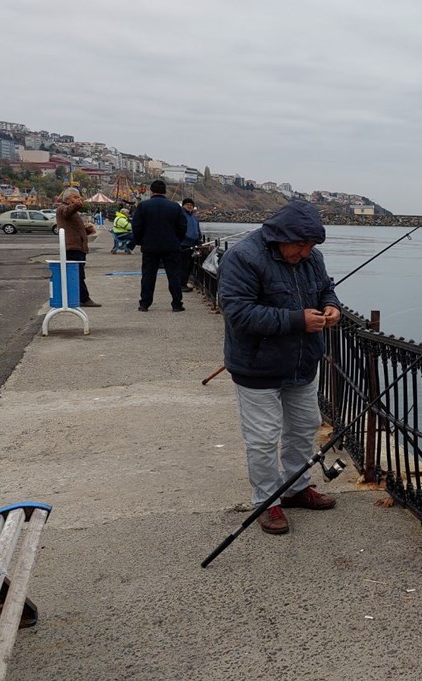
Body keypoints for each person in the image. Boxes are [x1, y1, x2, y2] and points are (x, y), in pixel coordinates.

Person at [218, 200, 342, 534]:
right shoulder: (243, 257)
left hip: (302, 363)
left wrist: (331, 307)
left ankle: (296, 488)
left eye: (311, 245)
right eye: (300, 244)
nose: (305, 252)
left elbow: (326, 289)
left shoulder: (312, 258)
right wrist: (296, 320)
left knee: (304, 428)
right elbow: (238, 313)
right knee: (263, 438)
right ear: (279, 236)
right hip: (257, 367)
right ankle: (267, 501)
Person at [131, 179, 188, 312]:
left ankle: (144, 303)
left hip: (150, 246)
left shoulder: (143, 206)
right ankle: (177, 303)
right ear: (165, 192)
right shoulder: (175, 207)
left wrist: (140, 241)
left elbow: (136, 226)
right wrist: (177, 240)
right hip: (171, 246)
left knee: (148, 276)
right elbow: (182, 227)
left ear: (151, 191)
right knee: (174, 275)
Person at [55, 187, 101, 308]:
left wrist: (87, 231)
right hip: (72, 248)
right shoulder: (62, 208)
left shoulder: (72, 211)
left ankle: (79, 298)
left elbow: (75, 231)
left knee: (78, 274)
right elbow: (67, 211)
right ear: (67, 198)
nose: (78, 199)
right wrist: (77, 205)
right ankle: (84, 299)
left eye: (78, 197)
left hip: (77, 247)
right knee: (78, 275)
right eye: (75, 197)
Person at [180, 198, 203, 291]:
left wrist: (199, 238)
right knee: (183, 266)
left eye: (191, 205)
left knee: (190, 266)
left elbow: (197, 229)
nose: (189, 206)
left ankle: (184, 283)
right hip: (183, 245)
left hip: (193, 245)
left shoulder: (194, 217)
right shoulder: (181, 216)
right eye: (187, 204)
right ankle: (181, 285)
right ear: (183, 205)